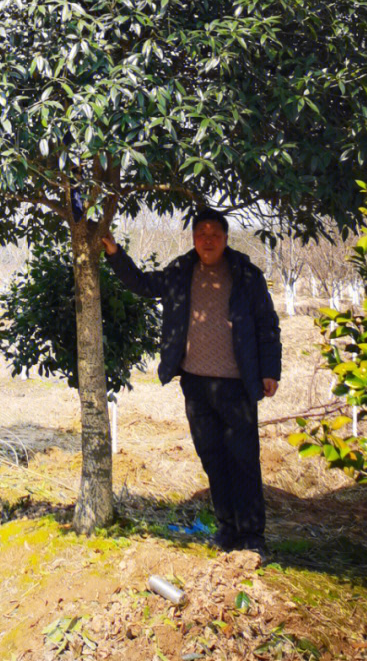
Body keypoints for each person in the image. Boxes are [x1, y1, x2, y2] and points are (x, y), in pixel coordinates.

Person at [101, 209, 281, 556]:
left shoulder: (246, 275)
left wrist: (270, 370)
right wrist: (114, 253)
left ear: (227, 238)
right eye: (201, 233)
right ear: (194, 238)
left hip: (237, 385)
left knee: (244, 460)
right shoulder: (181, 272)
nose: (208, 240)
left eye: (215, 233)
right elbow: (141, 284)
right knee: (212, 458)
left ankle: (252, 537)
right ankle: (227, 531)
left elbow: (266, 324)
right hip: (196, 385)